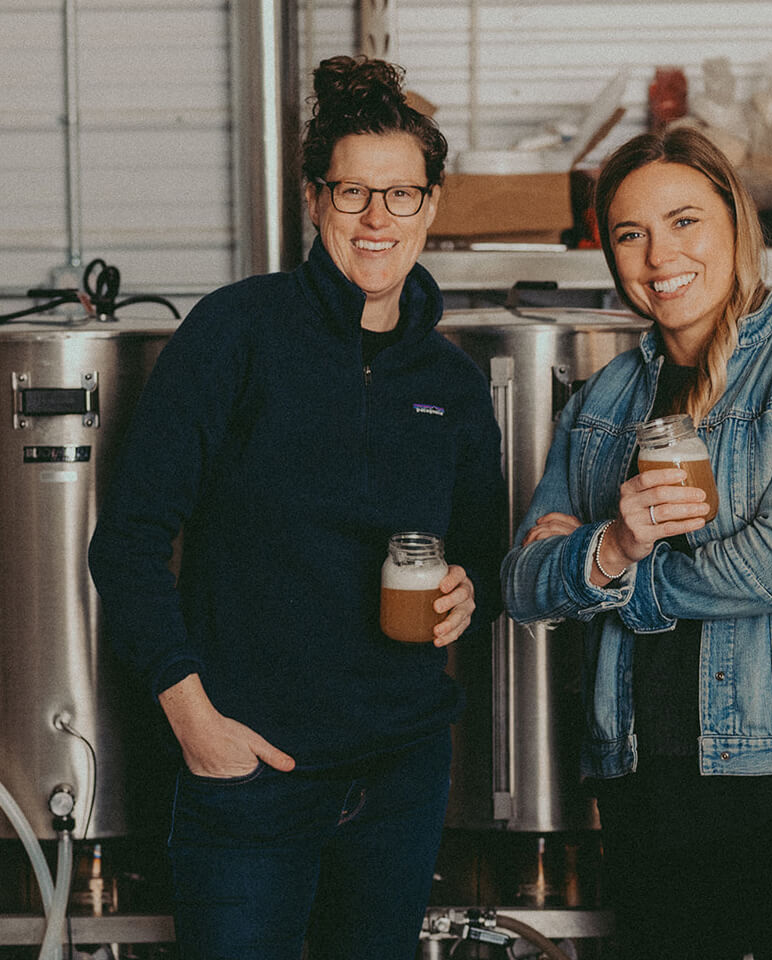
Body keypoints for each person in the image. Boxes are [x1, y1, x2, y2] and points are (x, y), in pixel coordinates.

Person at [88, 55, 506, 960]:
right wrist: (195, 722)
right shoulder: (236, 332)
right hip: (249, 771)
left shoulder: (452, 382)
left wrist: (471, 590)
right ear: (315, 201)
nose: (377, 219)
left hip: (400, 776)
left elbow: (486, 553)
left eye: (401, 195)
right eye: (353, 192)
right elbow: (127, 542)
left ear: (431, 206)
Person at [501, 126, 772, 960]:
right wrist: (615, 543)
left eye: (684, 222)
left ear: (735, 223)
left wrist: (614, 573)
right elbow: (523, 584)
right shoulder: (604, 399)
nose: (660, 257)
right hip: (644, 789)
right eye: (631, 234)